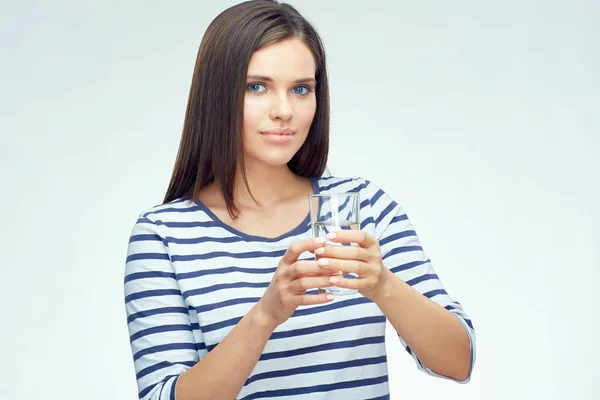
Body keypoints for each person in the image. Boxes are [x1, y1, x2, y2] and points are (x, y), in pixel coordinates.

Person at [124, 1, 476, 399]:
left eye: (301, 89)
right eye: (256, 86)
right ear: (217, 94)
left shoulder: (364, 207)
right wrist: (265, 315)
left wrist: (382, 285)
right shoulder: (164, 235)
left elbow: (458, 361)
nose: (284, 111)